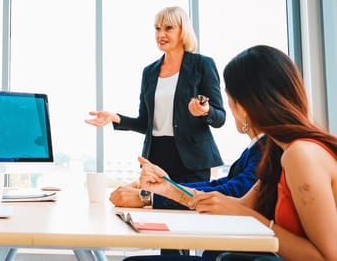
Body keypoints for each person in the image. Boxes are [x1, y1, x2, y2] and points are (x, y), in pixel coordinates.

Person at [137, 45, 337, 261]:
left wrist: (256, 220)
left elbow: (327, 258)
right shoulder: (278, 153)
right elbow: (236, 204)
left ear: (243, 106)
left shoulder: (300, 155)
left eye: (229, 99)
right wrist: (167, 187)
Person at [86, 6, 226, 183]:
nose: (161, 34)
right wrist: (115, 118)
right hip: (157, 158)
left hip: (193, 159)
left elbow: (220, 117)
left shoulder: (202, 65)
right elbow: (145, 123)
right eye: (157, 28)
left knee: (189, 208)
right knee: (155, 208)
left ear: (183, 31)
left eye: (169, 28)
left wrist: (206, 111)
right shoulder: (149, 72)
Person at [109, 132, 264, 210]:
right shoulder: (258, 146)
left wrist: (148, 197)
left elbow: (232, 194)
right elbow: (220, 184)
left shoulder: (266, 149)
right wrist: (166, 188)